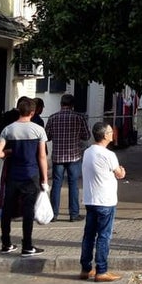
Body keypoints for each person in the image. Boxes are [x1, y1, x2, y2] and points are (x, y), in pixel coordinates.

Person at [0, 97, 50, 257]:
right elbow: (42, 156)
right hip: (31, 174)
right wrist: (45, 179)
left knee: (7, 209)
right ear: (32, 112)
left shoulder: (8, 129)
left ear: (19, 109)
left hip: (12, 175)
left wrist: (10, 152)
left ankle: (6, 243)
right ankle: (27, 246)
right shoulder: (38, 130)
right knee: (28, 211)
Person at [80, 122, 126, 282]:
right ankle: (101, 270)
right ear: (105, 135)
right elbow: (119, 173)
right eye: (110, 132)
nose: (112, 134)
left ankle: (86, 268)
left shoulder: (88, 152)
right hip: (105, 200)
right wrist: (122, 171)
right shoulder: (108, 155)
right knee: (104, 236)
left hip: (90, 198)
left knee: (89, 235)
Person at [48, 93, 91, 222]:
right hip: (74, 156)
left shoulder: (52, 118)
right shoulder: (79, 118)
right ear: (72, 105)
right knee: (73, 185)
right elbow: (86, 136)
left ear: (61, 104)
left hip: (57, 157)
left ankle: (53, 214)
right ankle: (74, 214)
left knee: (56, 185)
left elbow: (47, 136)